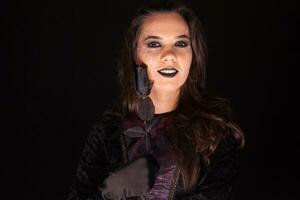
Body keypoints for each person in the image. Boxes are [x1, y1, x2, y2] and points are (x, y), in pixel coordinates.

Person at [66, 0, 245, 199]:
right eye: (154, 44)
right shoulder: (108, 132)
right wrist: (110, 193)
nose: (169, 55)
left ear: (192, 55)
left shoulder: (214, 133)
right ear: (136, 55)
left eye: (181, 43)